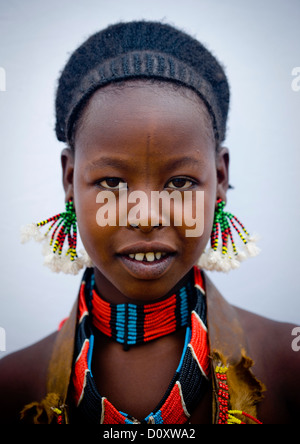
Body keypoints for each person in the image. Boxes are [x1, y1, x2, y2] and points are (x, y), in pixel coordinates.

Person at [0, 20, 299, 425]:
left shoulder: (289, 367)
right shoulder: (11, 385)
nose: (146, 215)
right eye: (112, 182)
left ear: (221, 178)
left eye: (179, 182)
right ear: (69, 179)